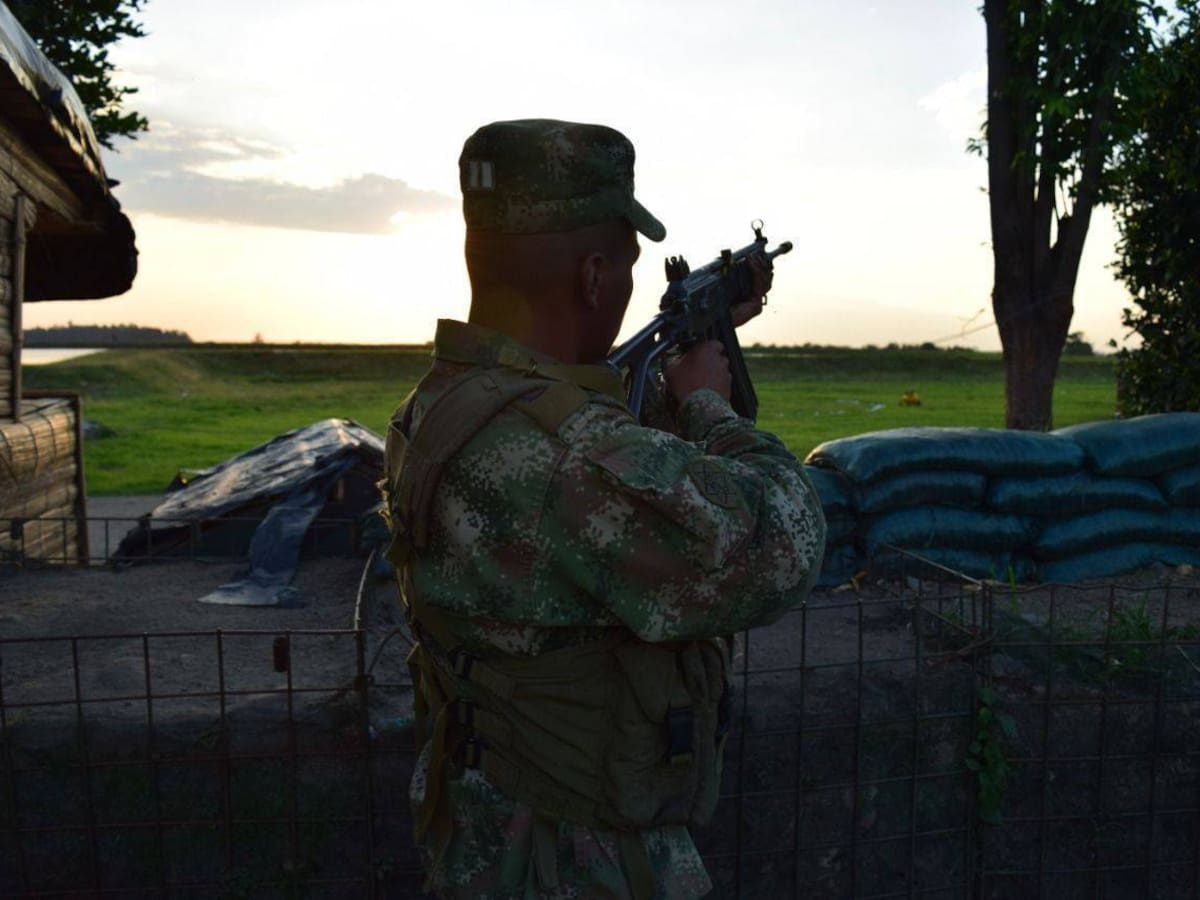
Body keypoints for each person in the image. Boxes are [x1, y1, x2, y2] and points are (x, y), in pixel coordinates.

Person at [382, 118, 826, 900]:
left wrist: (687, 353)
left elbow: (583, 475)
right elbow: (778, 545)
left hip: (482, 824)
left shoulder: (439, 405)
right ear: (593, 277)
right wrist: (711, 410)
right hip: (579, 858)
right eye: (624, 266)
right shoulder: (574, 458)